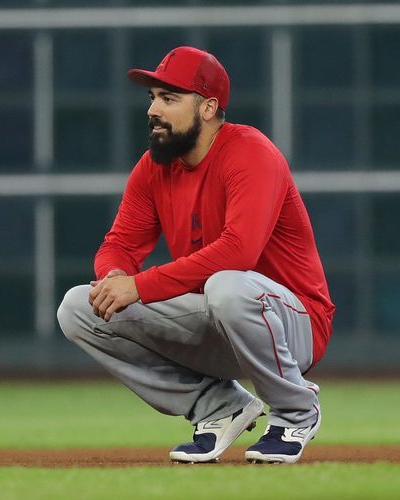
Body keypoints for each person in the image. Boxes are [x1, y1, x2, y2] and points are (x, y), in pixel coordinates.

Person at [57, 46, 335, 464]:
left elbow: (238, 251)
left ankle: (296, 410)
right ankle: (218, 407)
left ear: (208, 108)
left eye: (169, 99)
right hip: (217, 316)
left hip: (295, 323)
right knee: (79, 307)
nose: (153, 109)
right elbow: (120, 244)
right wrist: (115, 275)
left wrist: (140, 286)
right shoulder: (155, 166)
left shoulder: (250, 152)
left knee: (227, 285)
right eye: (153, 97)